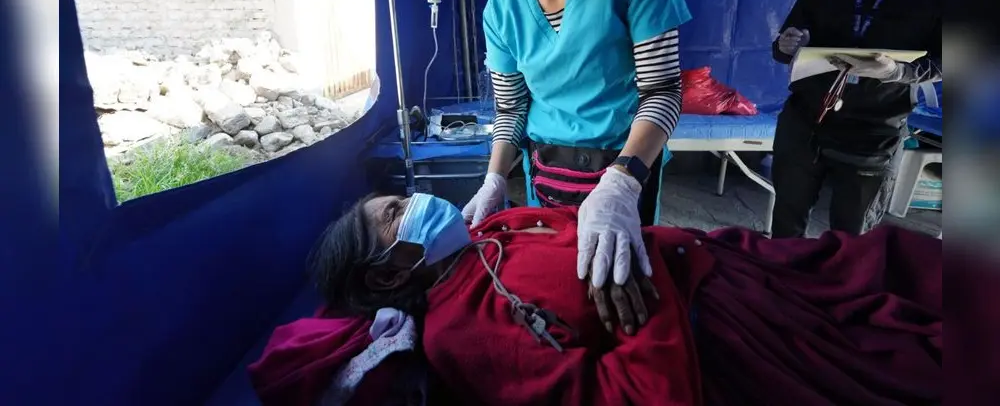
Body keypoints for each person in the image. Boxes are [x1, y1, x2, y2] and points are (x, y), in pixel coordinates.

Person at [249, 193, 942, 406]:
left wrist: (611, 205)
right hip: (723, 330)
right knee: (913, 350)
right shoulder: (464, 333)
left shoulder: (486, 234)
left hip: (729, 262)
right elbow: (638, 398)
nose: (424, 200)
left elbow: (576, 224)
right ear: (391, 276)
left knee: (892, 258)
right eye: (399, 209)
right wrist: (642, 292)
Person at [435, 0, 692, 291]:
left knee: (621, 287)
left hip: (624, 163)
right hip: (548, 173)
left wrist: (622, 184)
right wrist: (495, 178)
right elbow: (511, 110)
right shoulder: (501, 9)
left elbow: (663, 92)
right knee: (555, 285)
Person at [770, 0, 942, 238]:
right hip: (805, 123)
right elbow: (782, 46)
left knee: (853, 237)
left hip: (875, 129)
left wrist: (899, 72)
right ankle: (781, 285)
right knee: (787, 225)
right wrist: (786, 46)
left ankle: (842, 290)